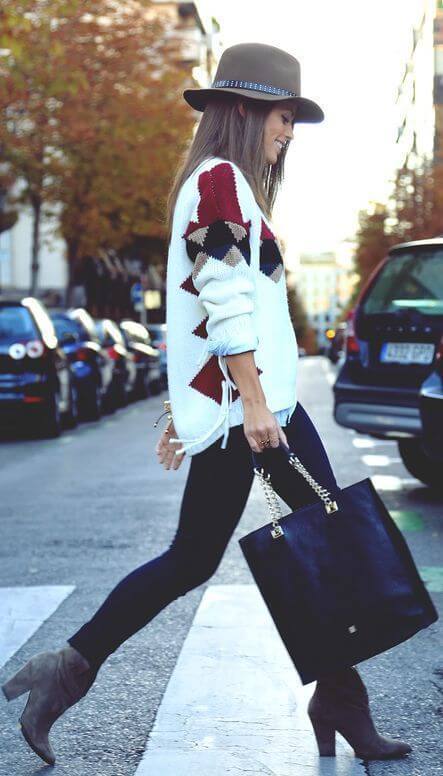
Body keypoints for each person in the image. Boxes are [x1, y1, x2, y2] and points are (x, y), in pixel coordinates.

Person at [2, 42, 412, 766]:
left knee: (242, 548)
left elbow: (201, 305)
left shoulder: (230, 187)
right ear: (246, 111)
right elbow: (222, 299)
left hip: (254, 404)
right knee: (312, 538)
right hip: (260, 410)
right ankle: (69, 671)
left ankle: (67, 670)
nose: (287, 134)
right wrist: (250, 403)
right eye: (283, 117)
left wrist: (185, 411)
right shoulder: (218, 181)